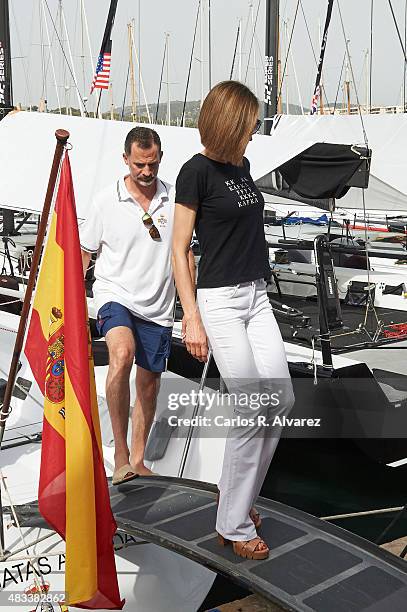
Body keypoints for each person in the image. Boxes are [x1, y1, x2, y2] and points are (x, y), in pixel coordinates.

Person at [172, 81, 295, 560]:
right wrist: (192, 318)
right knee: (250, 405)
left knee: (280, 400)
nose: (253, 133)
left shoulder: (242, 166)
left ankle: (236, 498)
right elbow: (179, 250)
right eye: (248, 125)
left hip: (255, 296)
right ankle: (234, 525)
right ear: (229, 124)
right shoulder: (195, 173)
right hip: (220, 300)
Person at [80, 126, 192, 485]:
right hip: (115, 295)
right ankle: (121, 456)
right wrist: (68, 305)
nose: (146, 172)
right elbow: (85, 251)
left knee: (148, 386)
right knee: (122, 353)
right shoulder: (105, 200)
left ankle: (139, 459)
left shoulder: (175, 200)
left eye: (153, 164)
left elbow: (185, 252)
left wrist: (192, 311)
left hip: (158, 305)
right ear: (125, 159)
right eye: (139, 164)